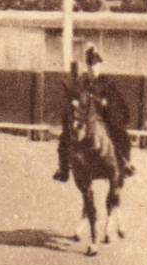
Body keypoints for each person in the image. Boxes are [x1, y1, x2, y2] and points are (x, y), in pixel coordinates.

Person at [54, 44, 135, 181]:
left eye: (96, 65)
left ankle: (126, 163)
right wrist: (74, 102)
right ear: (87, 67)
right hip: (82, 119)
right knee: (64, 137)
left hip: (103, 119)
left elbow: (117, 103)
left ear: (100, 66)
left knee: (121, 135)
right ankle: (63, 169)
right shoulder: (81, 83)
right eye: (90, 66)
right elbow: (72, 96)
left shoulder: (108, 83)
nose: (93, 69)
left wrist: (107, 103)